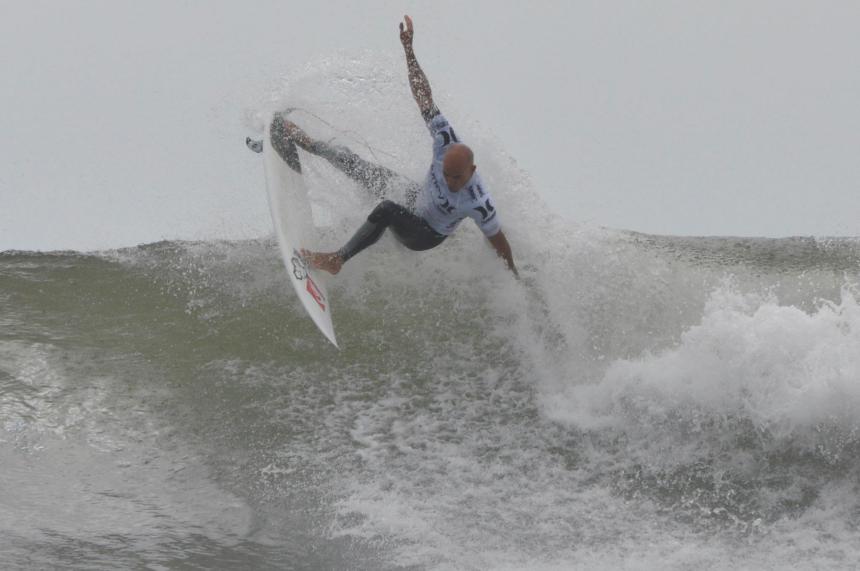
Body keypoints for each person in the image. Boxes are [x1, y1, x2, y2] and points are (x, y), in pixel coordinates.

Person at [264, 15, 517, 277]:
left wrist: (514, 279)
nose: (450, 182)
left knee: (386, 209)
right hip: (417, 198)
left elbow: (499, 242)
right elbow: (424, 96)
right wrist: (409, 51)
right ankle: (302, 139)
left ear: (472, 171)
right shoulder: (444, 139)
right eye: (446, 175)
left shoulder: (478, 202)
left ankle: (336, 260)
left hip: (425, 234)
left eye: (457, 178)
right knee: (354, 163)